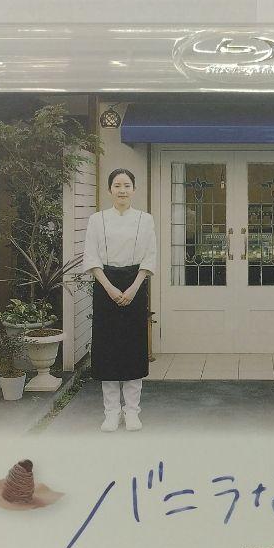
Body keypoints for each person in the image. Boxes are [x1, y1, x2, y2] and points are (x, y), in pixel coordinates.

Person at [81, 168, 157, 431]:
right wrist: (109, 288)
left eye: (126, 185)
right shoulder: (97, 220)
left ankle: (132, 411)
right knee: (108, 349)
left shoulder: (145, 220)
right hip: (105, 284)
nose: (122, 190)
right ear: (109, 189)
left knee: (133, 349)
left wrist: (135, 288)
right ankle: (111, 412)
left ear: (134, 189)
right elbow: (91, 257)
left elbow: (149, 256)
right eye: (117, 185)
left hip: (135, 284)